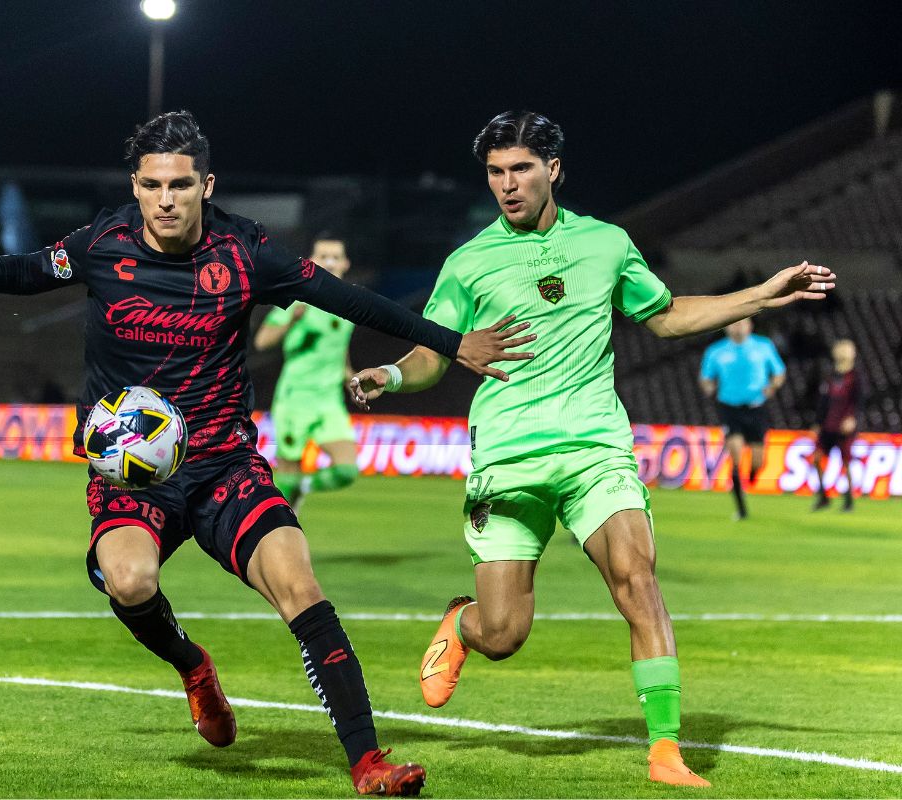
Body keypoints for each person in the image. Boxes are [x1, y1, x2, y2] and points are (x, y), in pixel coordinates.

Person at [0, 111, 535, 797]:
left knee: (300, 585)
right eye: (152, 185)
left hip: (223, 466)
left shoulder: (246, 251)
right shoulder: (104, 241)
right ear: (136, 186)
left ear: (206, 184)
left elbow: (349, 300)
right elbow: (29, 271)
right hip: (134, 476)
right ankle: (192, 667)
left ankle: (367, 761)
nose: (166, 199)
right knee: (131, 583)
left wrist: (451, 343)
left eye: (180, 184)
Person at [348, 110, 836, 789]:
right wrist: (393, 374)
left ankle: (665, 750)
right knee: (505, 632)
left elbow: (664, 315)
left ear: (553, 169)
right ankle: (461, 626)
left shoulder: (607, 244)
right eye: (495, 172)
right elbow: (436, 355)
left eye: (520, 169)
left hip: (595, 448)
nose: (507, 185)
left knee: (639, 578)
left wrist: (760, 293)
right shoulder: (469, 263)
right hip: (508, 457)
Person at [254, 232, 357, 507]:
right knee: (287, 475)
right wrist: (291, 320)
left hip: (329, 400)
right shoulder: (298, 301)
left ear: (345, 264)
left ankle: (305, 485)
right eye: (324, 257)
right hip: (295, 399)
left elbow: (339, 351)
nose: (331, 262)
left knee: (346, 471)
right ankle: (280, 526)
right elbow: (262, 341)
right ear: (313, 261)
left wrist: (351, 378)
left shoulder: (348, 306)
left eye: (336, 257)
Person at [699, 318, 786, 519]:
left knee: (758, 460)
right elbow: (706, 377)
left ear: (750, 326)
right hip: (729, 408)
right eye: (733, 324)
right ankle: (741, 508)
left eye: (742, 323)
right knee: (735, 454)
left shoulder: (763, 346)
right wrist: (708, 386)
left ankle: (753, 475)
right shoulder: (716, 351)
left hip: (756, 408)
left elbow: (779, 373)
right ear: (727, 327)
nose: (737, 327)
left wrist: (772, 386)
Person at [809, 338, 862, 511]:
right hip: (827, 426)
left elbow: (860, 401)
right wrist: (817, 422)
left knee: (846, 462)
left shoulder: (856, 376)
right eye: (841, 348)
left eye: (847, 349)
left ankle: (848, 500)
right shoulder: (830, 376)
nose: (843, 352)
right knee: (816, 459)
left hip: (844, 426)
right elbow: (823, 402)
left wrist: (853, 418)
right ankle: (823, 496)